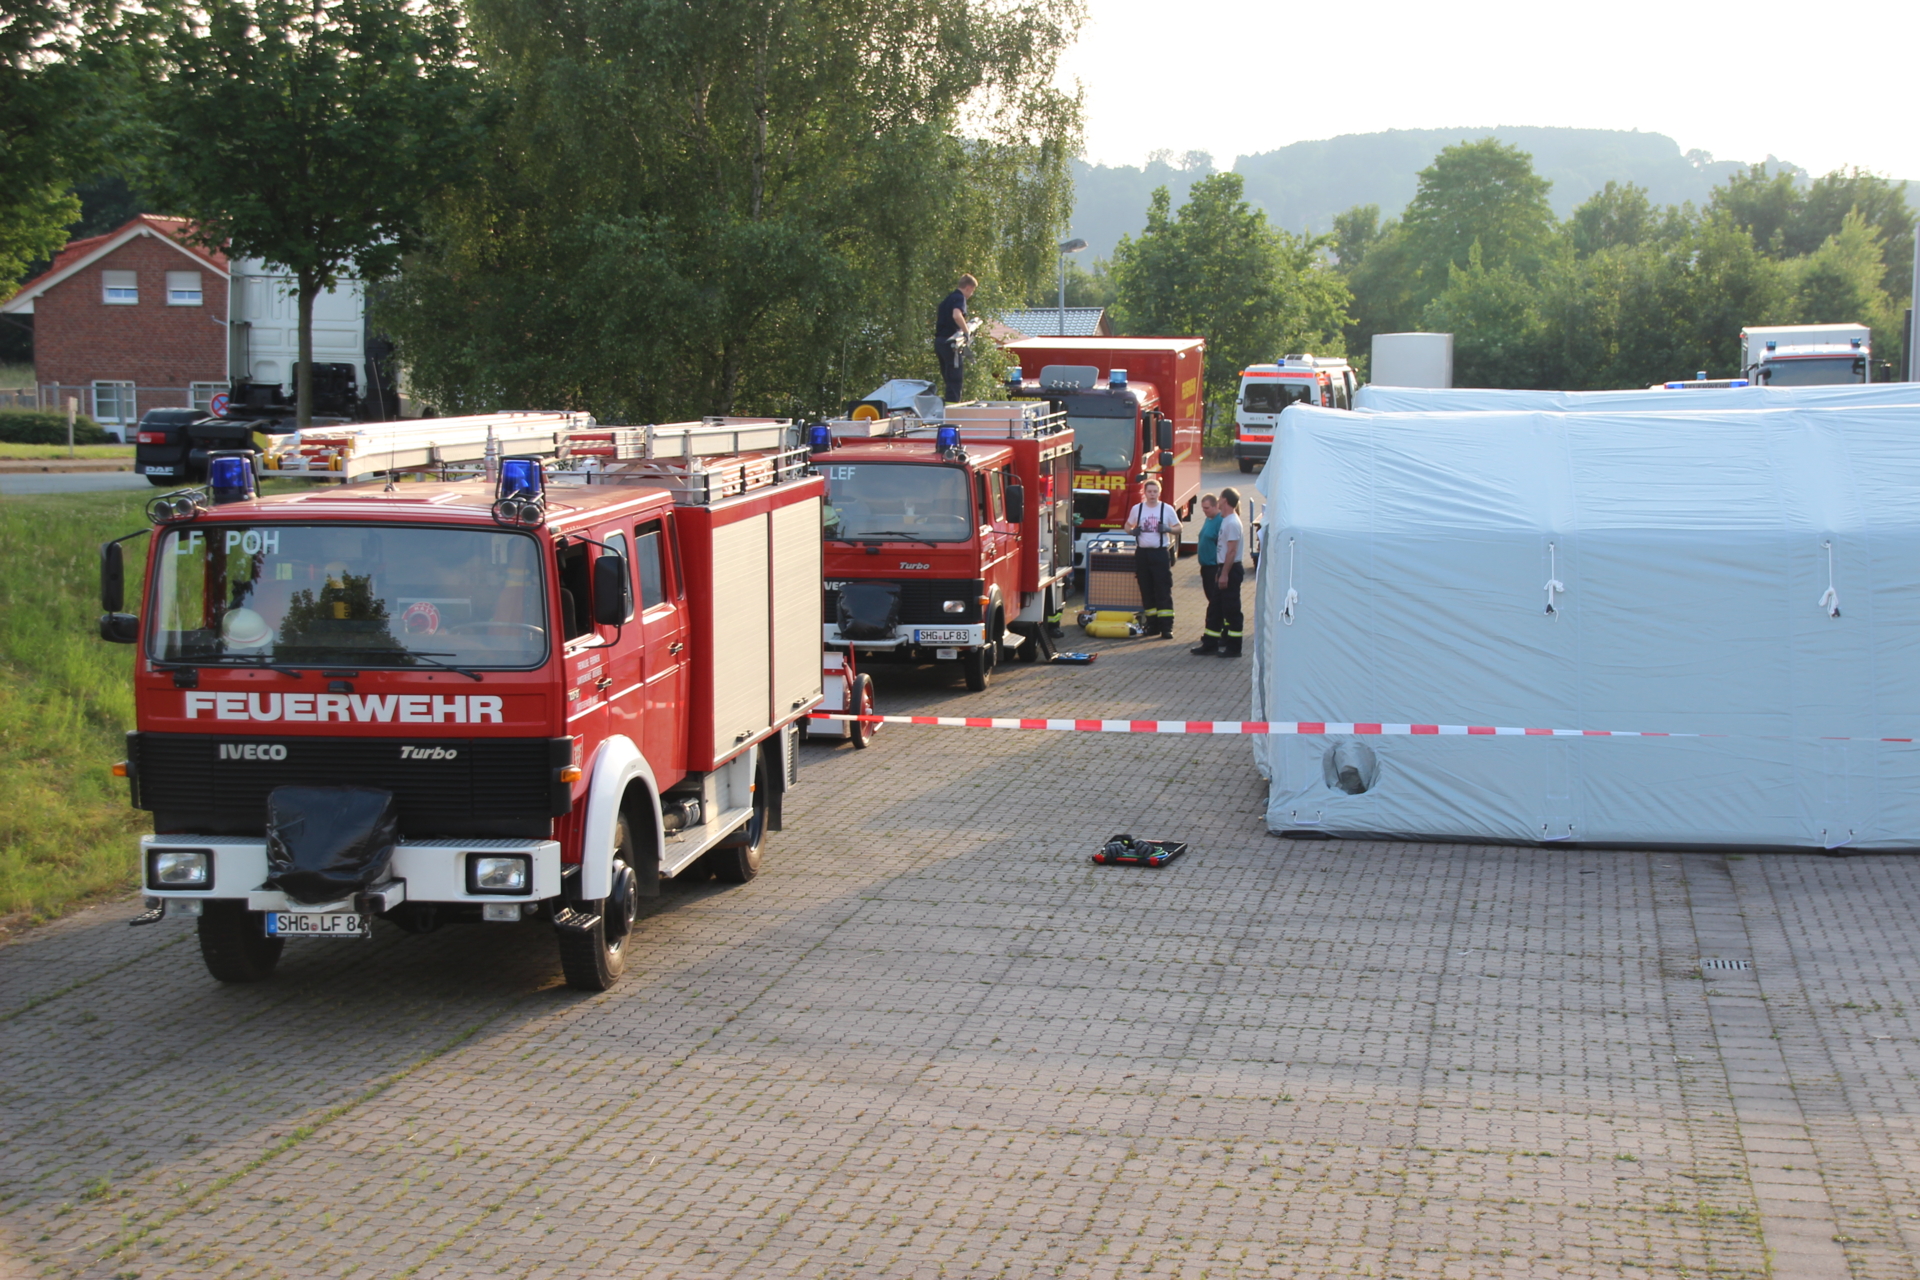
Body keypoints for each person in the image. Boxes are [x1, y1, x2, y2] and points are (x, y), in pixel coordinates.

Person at [1123, 478, 1180, 638]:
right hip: (1142, 554)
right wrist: (1132, 531)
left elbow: (1179, 528)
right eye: (1149, 491)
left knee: (1163, 590)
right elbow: (1127, 525)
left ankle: (1166, 627)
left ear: (1159, 492)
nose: (1152, 494)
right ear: (1144, 493)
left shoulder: (1166, 509)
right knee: (1146, 590)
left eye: (1155, 491)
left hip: (1160, 553)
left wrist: (1168, 528)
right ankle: (1152, 626)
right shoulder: (1137, 509)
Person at [1195, 487, 1245, 657]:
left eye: (1220, 497)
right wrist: (1220, 570)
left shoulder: (1232, 522)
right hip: (1223, 567)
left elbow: (1232, 551)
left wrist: (1224, 573)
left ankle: (1234, 647)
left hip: (1230, 569)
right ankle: (1210, 643)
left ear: (1224, 501)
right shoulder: (1225, 520)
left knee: (1231, 609)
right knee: (1215, 608)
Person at [934, 274, 977, 402]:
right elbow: (957, 315)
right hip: (951, 343)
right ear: (968, 287)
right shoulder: (959, 298)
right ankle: (953, 411)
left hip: (940, 342)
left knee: (948, 378)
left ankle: (947, 407)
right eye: (972, 291)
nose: (971, 294)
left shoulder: (947, 299)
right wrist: (966, 332)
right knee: (955, 379)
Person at [1192, 493, 1221, 645]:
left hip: (1213, 567)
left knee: (1215, 602)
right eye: (1203, 508)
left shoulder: (1220, 521)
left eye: (1207, 508)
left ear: (1216, 506)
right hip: (1205, 567)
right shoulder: (1208, 519)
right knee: (1211, 599)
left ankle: (1217, 634)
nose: (1204, 511)